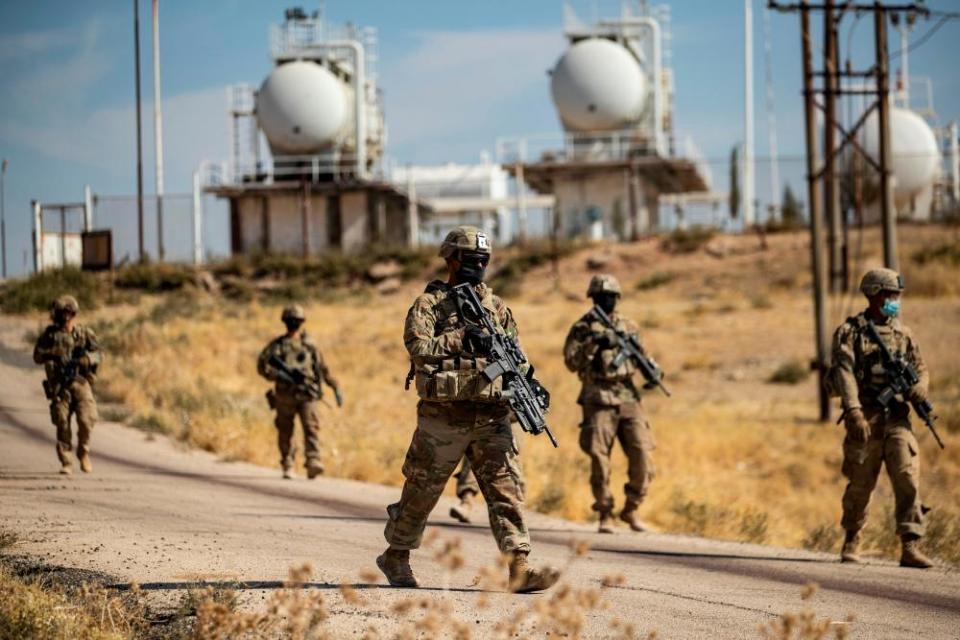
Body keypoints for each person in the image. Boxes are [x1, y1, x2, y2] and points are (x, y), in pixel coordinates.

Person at [377, 225, 558, 593]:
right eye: (470, 259)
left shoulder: (497, 308)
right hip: (444, 416)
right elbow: (418, 347)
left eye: (483, 260)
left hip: (492, 415)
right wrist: (461, 337)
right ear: (452, 259)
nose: (477, 265)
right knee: (422, 491)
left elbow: (516, 355)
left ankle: (519, 564)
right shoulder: (430, 304)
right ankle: (396, 555)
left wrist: (531, 382)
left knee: (506, 491)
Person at [829, 268, 933, 568]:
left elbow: (921, 367)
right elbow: (844, 372)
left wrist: (919, 388)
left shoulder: (904, 334)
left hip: (898, 418)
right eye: (890, 295)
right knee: (861, 482)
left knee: (907, 477)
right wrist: (854, 412)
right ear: (874, 294)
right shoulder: (851, 332)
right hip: (866, 418)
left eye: (897, 296)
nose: (895, 301)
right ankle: (852, 538)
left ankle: (910, 544)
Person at [563, 274, 656, 534]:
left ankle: (632, 508)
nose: (608, 301)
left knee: (643, 454)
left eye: (612, 297)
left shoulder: (629, 325)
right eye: (602, 297)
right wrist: (594, 343)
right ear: (593, 298)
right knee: (599, 457)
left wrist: (653, 371)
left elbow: (643, 357)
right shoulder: (582, 327)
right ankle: (605, 511)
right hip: (598, 396)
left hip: (628, 396)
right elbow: (571, 362)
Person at [257, 304, 342, 480]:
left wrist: (335, 386)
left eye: (296, 321)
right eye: (291, 321)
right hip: (284, 395)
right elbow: (262, 366)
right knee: (285, 430)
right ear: (285, 322)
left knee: (311, 428)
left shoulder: (309, 346)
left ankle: (313, 461)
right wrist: (277, 375)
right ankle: (287, 463)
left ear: (301, 322)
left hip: (307, 394)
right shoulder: (277, 346)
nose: (293, 323)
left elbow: (322, 368)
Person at [32, 295, 102, 475]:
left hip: (80, 383)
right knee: (62, 422)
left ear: (73, 314)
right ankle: (66, 461)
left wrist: (87, 359)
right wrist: (52, 353)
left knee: (87, 419)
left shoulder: (84, 333)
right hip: (60, 386)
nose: (64, 318)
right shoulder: (49, 335)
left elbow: (99, 354)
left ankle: (83, 452)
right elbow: (37, 356)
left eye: (67, 314)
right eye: (61, 314)